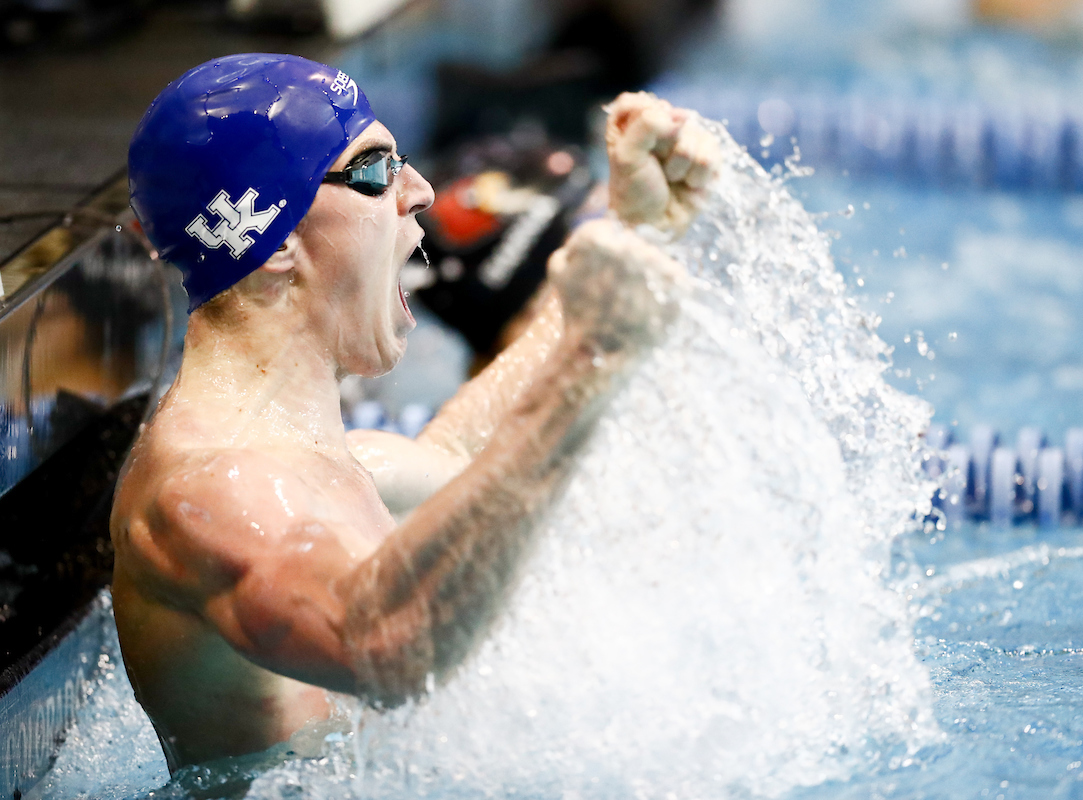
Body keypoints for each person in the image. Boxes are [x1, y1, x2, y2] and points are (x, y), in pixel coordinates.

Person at [111, 53, 718, 771]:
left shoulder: (318, 461)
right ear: (275, 239)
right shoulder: (212, 493)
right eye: (375, 171)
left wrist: (627, 228)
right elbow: (383, 645)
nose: (422, 191)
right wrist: (589, 370)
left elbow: (464, 467)